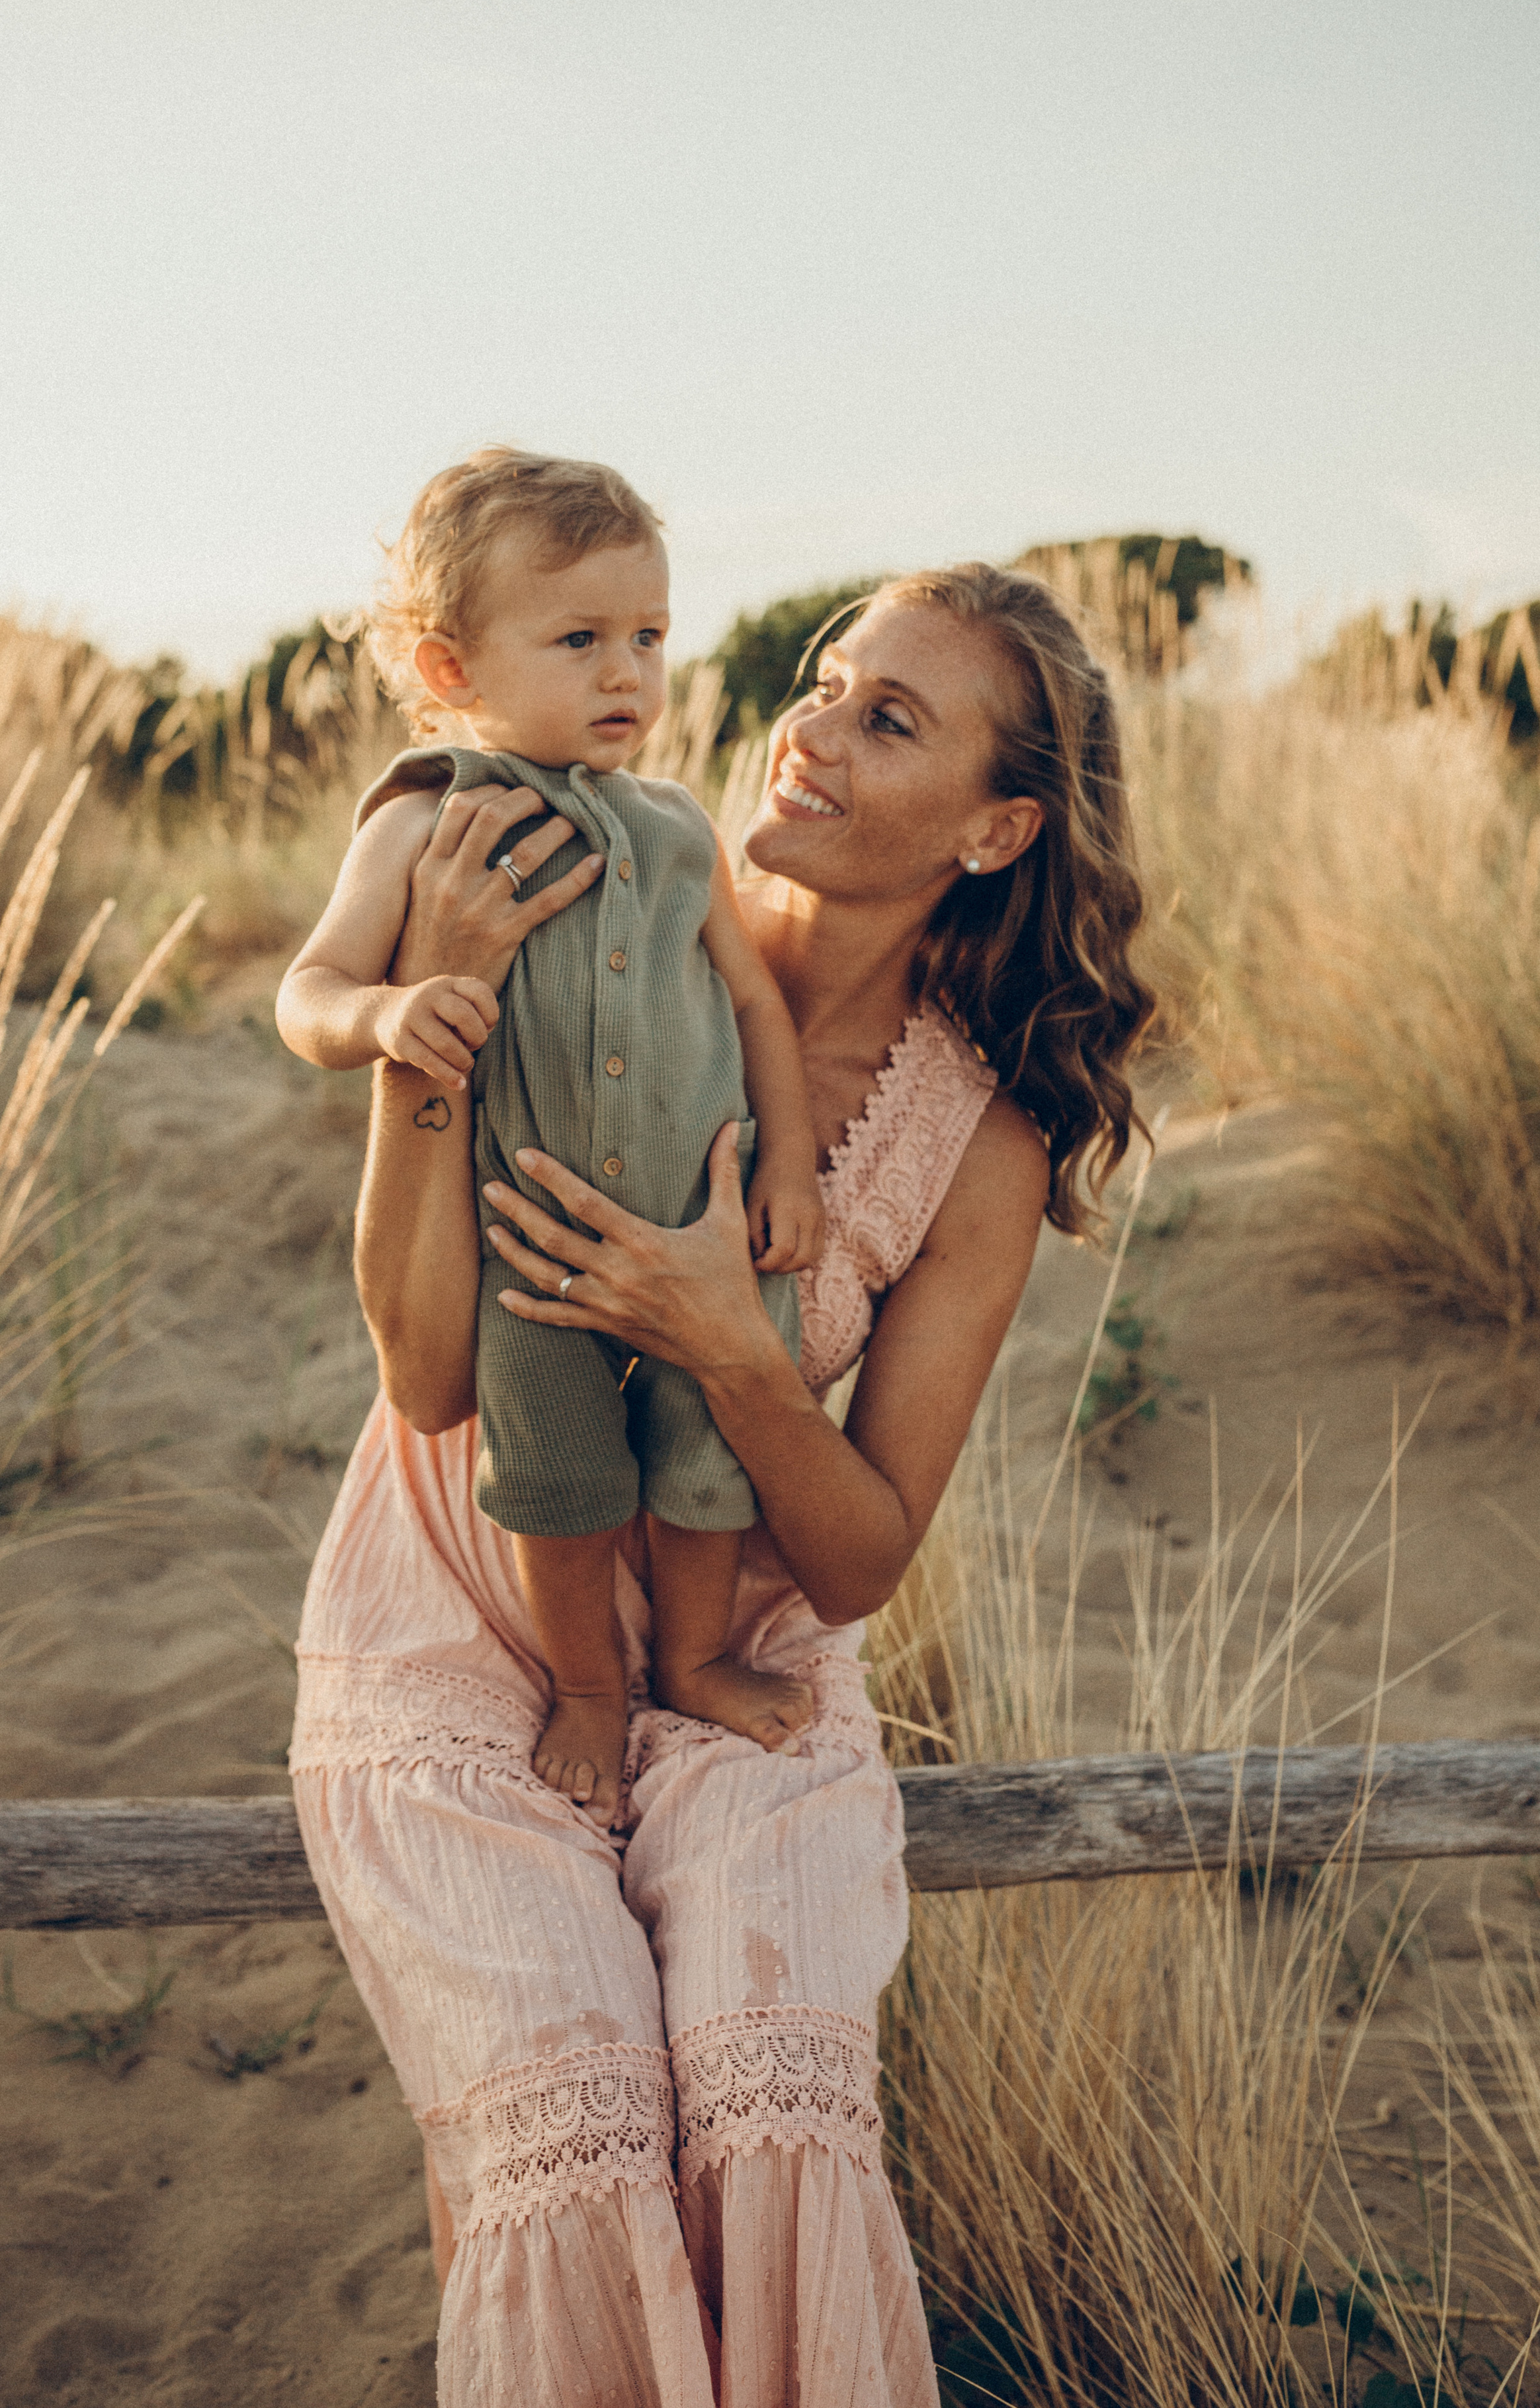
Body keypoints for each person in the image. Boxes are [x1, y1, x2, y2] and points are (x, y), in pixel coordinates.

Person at [290, 560, 1153, 2406]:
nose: (812, 724)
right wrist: (425, 1048)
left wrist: (734, 1347)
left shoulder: (975, 1139)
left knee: (775, 2070)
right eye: (830, 678)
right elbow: (429, 1377)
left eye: (889, 720)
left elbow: (856, 1563)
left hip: (737, 1639)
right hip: (464, 1589)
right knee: (575, 2090)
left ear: (1000, 829)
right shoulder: (585, 910)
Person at [278, 451, 825, 1825]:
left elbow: (754, 997)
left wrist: (791, 1163)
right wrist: (392, 1012)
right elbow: (309, 992)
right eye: (576, 639)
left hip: (705, 1234)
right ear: (447, 663)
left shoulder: (679, 823)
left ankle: (692, 1660)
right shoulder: (423, 816)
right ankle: (587, 1686)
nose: (624, 673)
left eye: (645, 635)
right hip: (536, 1250)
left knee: (706, 1455)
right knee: (558, 1479)